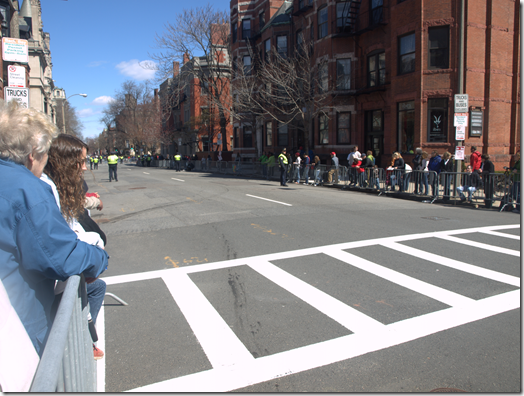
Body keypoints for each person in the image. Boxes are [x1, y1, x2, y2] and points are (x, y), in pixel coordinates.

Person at [0, 101, 109, 356]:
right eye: (45, 153)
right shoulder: (28, 189)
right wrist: (100, 257)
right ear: (32, 155)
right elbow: (61, 256)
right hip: (20, 320)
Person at [41, 134, 107, 360]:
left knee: (97, 287)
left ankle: (83, 340)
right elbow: (64, 241)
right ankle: (81, 342)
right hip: (52, 280)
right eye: (82, 162)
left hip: (60, 273)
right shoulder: (48, 189)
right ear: (67, 162)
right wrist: (98, 253)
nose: (86, 168)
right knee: (95, 288)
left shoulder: (57, 187)